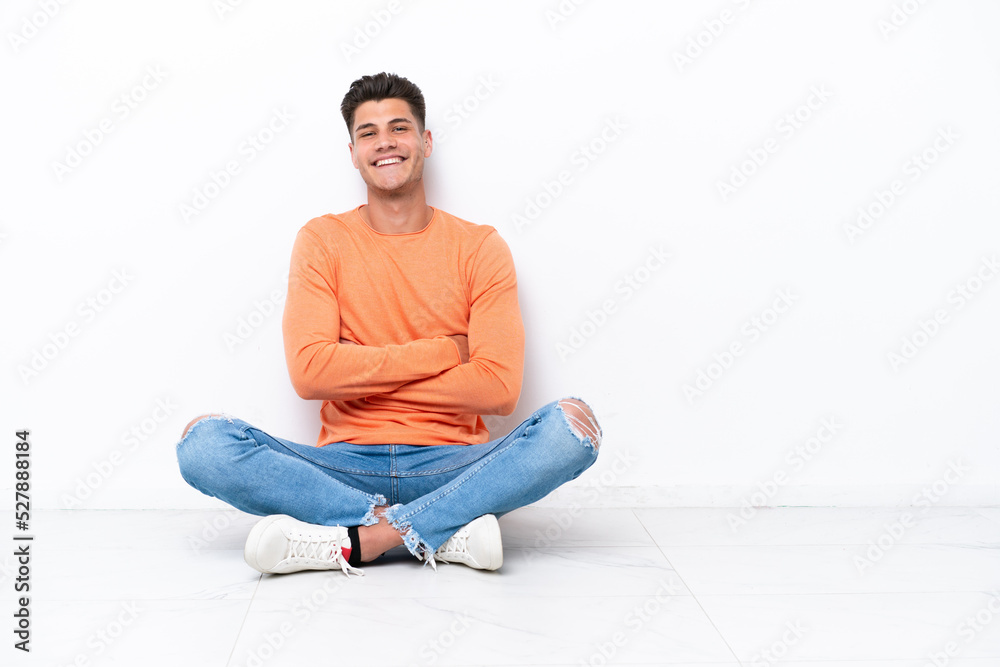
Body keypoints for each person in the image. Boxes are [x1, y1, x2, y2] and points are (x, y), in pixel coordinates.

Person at [175, 72, 602, 576]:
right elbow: (311, 374)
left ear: (425, 141)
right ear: (353, 152)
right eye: (368, 133)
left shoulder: (480, 247)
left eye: (399, 128)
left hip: (453, 465)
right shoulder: (322, 240)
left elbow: (499, 389)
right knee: (202, 444)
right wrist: (446, 351)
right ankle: (437, 531)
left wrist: (357, 374)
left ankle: (368, 537)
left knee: (573, 427)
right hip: (343, 468)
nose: (385, 143)